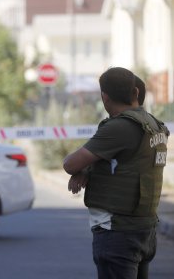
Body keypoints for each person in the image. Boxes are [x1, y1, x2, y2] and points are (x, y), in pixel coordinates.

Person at [63, 67, 169, 279]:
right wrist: (89, 168)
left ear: (104, 96)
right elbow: (129, 162)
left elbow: (70, 164)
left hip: (118, 232)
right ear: (136, 93)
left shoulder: (121, 127)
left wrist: (81, 168)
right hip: (144, 228)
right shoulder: (154, 125)